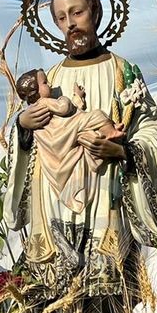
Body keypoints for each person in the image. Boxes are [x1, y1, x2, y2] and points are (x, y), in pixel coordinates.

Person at [6, 0, 157, 313]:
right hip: (52, 207)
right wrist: (23, 125)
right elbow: (26, 141)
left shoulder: (124, 73)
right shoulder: (47, 78)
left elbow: (151, 131)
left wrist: (121, 150)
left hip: (105, 205)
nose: (70, 24)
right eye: (61, 18)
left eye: (77, 13)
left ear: (94, 12)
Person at [14, 70, 118, 214]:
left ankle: (107, 135)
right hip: (62, 135)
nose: (50, 84)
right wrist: (21, 122)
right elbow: (64, 109)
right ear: (34, 91)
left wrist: (77, 97)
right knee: (96, 117)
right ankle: (110, 131)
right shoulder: (45, 101)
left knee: (88, 133)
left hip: (62, 137)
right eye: (44, 83)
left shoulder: (40, 103)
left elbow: (69, 114)